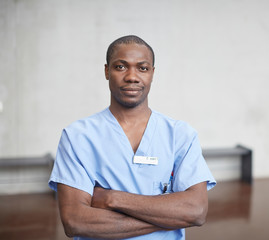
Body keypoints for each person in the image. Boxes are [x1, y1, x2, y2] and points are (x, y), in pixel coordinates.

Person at [48, 35, 216, 240]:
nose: (132, 77)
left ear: (152, 73)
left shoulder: (181, 135)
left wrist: (112, 198)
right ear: (107, 71)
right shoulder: (77, 137)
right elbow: (75, 221)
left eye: (142, 68)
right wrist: (168, 216)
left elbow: (196, 211)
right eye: (121, 67)